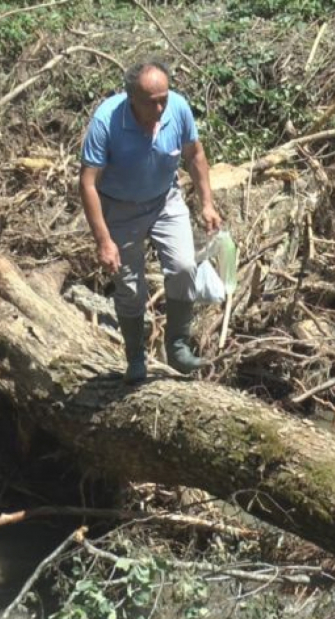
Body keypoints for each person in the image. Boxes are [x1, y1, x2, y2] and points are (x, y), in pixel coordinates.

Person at [79, 60, 222, 383]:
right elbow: (87, 183)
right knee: (129, 287)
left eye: (164, 98)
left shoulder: (179, 109)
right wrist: (104, 240)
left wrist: (207, 204)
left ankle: (178, 346)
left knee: (184, 267)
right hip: (120, 208)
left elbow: (195, 155)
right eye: (151, 101)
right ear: (132, 98)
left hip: (164, 200)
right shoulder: (107, 121)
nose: (159, 108)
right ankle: (135, 359)